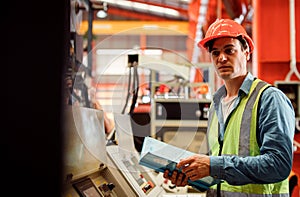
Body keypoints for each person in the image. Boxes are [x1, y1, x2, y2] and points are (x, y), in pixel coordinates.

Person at [163, 18, 295, 196]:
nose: (222, 58)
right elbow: (219, 176)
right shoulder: (215, 104)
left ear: (246, 52)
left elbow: (279, 165)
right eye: (215, 53)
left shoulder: (269, 99)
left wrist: (213, 165)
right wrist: (192, 175)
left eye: (229, 50)